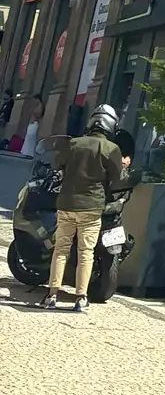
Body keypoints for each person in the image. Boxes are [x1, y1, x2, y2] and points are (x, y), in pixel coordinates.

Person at [44, 103, 129, 312]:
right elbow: (119, 180)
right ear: (111, 126)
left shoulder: (73, 143)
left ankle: (52, 295)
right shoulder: (111, 149)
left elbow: (57, 164)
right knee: (85, 252)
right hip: (91, 207)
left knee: (61, 250)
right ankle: (80, 297)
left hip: (66, 204)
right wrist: (124, 169)